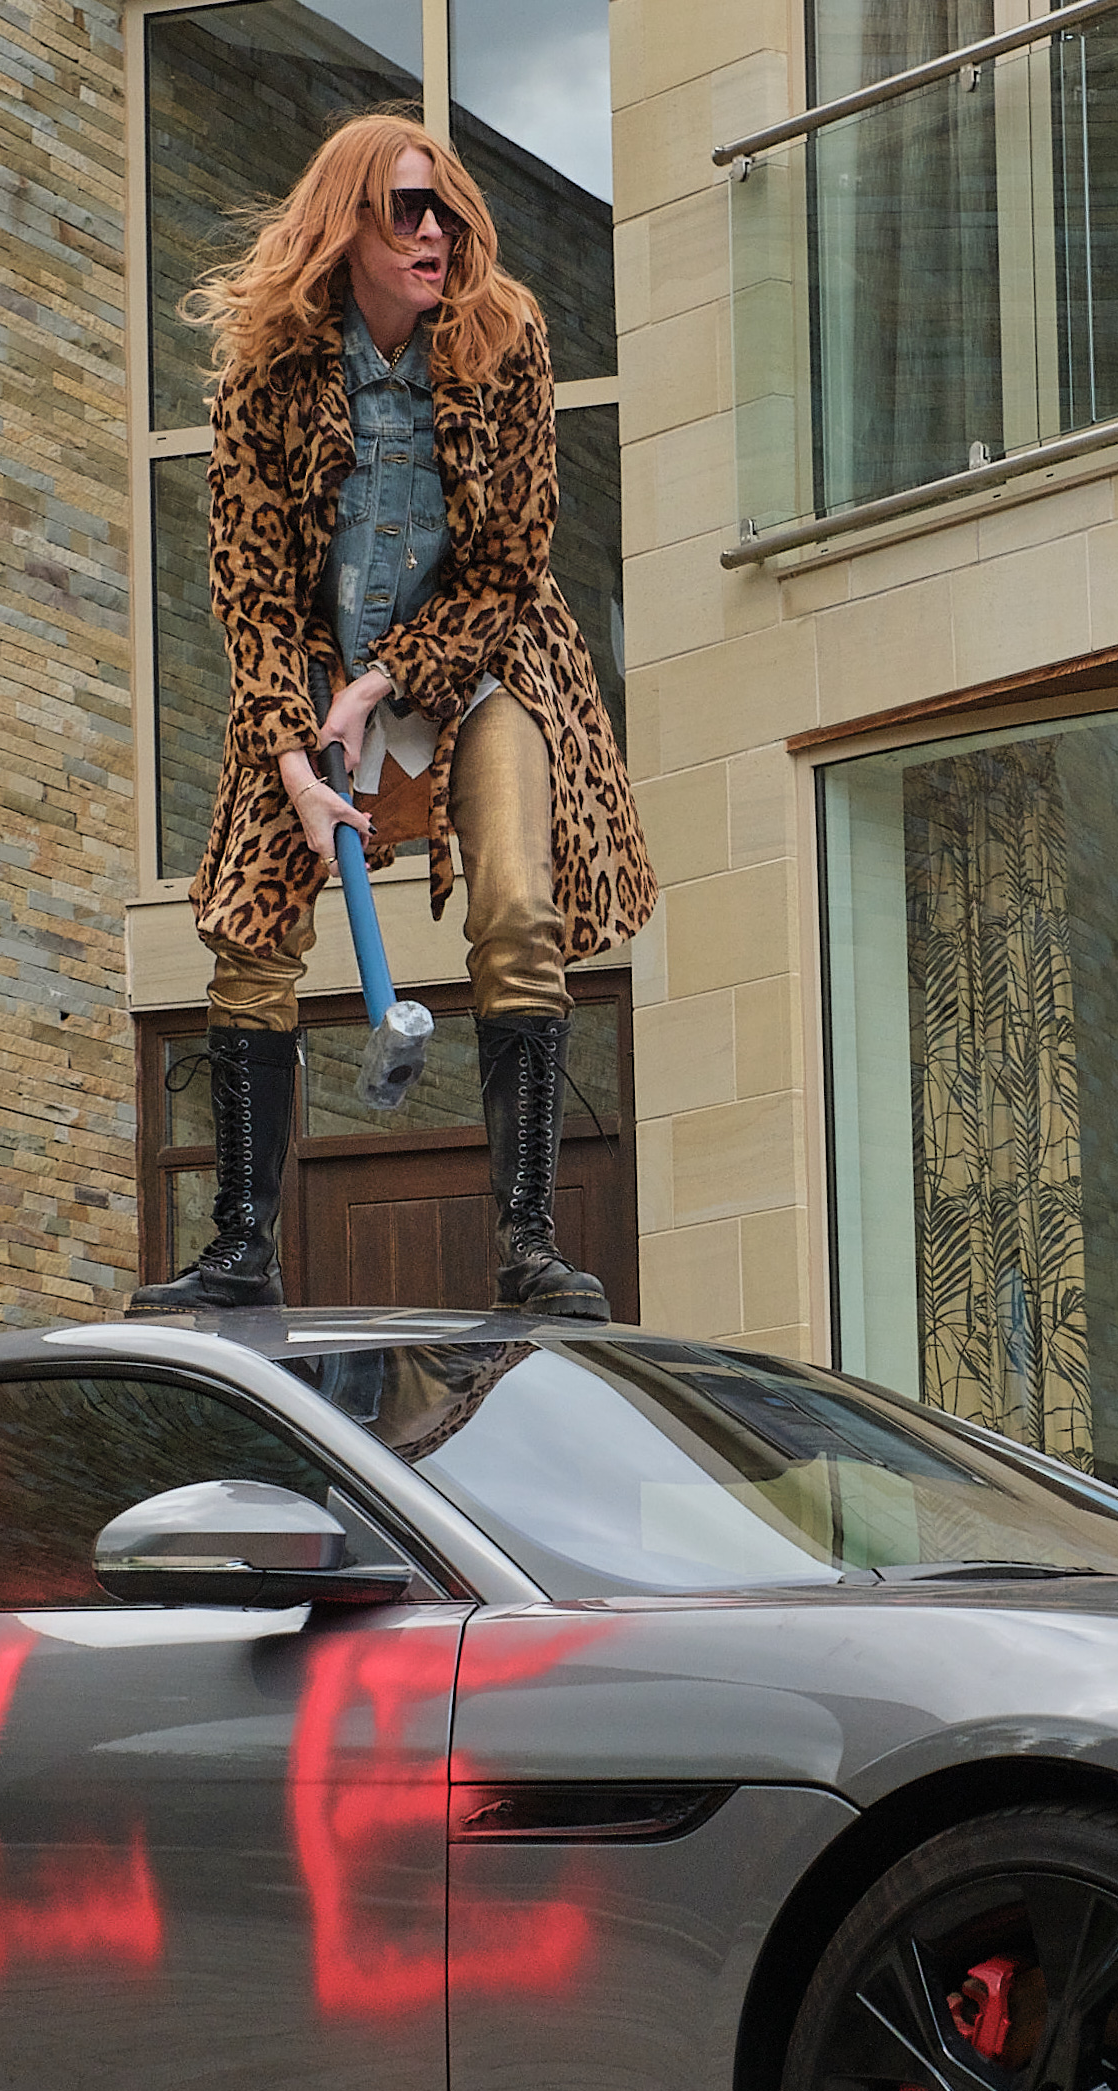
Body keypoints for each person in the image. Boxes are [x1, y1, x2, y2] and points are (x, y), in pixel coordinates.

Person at [134, 112, 654, 1320]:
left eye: (449, 211)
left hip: (482, 656)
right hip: (311, 670)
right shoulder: (266, 373)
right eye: (408, 211)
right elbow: (250, 589)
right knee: (250, 927)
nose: (436, 234)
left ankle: (526, 1241)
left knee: (519, 906)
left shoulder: (502, 339)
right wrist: (297, 755)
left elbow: (514, 556)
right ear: (347, 228)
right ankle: (241, 1248)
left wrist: (387, 685)